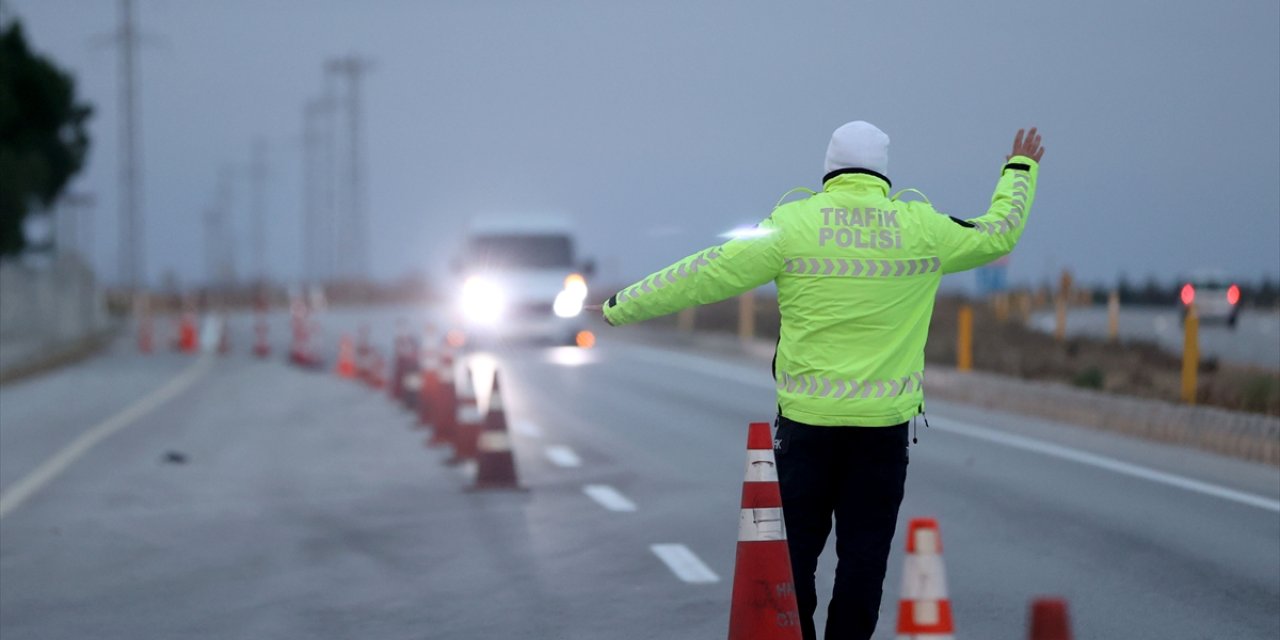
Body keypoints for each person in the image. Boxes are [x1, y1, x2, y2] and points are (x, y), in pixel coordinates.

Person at [600, 121, 1043, 639]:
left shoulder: (793, 225)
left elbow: (705, 272)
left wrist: (618, 306)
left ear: (829, 169)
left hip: (806, 429)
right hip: (882, 431)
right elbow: (999, 232)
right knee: (864, 562)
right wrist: (1020, 169)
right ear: (883, 172)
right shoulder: (922, 229)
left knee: (794, 560)